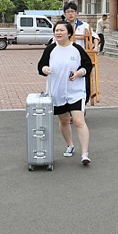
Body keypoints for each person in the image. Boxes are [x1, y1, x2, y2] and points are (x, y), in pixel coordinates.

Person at [38, 21, 94, 165]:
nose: (58, 33)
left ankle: (85, 153)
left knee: (78, 121)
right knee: (63, 121)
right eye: (56, 30)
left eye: (62, 30)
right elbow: (41, 66)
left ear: (69, 33)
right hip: (57, 92)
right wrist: (46, 69)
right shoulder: (50, 49)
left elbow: (87, 66)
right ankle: (70, 145)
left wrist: (79, 73)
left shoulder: (76, 49)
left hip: (75, 91)